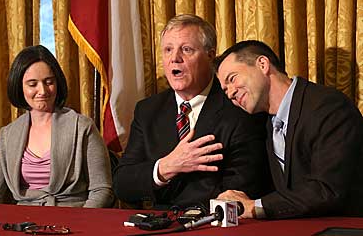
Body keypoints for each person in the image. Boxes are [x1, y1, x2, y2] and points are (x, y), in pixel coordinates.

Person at [113, 14, 271, 209]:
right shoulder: (148, 110)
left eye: (186, 50)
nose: (174, 59)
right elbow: (123, 184)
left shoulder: (239, 104)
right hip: (158, 226)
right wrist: (166, 167)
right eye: (168, 50)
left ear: (210, 56)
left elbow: (243, 186)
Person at [216, 40, 363, 218]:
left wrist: (255, 206)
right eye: (225, 90)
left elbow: (327, 189)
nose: (230, 93)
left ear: (263, 64)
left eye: (232, 79)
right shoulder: (265, 123)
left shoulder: (329, 107)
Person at [0, 45, 114, 207]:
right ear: (19, 87)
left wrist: (83, 222)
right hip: (24, 223)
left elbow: (102, 190)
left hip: (73, 222)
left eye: (49, 82)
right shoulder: (8, 135)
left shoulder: (82, 127)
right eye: (32, 84)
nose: (42, 91)